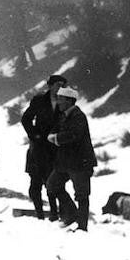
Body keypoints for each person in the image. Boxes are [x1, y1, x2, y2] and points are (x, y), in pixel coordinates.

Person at [46, 86, 97, 231]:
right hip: (65, 162)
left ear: (69, 101)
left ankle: (82, 226)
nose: (58, 102)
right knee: (52, 185)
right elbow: (54, 131)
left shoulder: (78, 116)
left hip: (80, 162)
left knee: (82, 194)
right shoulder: (64, 116)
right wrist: (53, 136)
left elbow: (74, 135)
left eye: (61, 99)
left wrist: (56, 138)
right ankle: (72, 214)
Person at [21, 74, 66, 220]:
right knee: (35, 182)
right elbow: (26, 118)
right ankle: (39, 213)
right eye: (58, 85)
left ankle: (54, 213)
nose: (60, 88)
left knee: (53, 182)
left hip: (55, 147)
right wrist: (34, 135)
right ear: (50, 85)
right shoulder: (39, 100)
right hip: (38, 148)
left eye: (62, 85)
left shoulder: (64, 102)